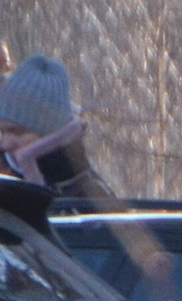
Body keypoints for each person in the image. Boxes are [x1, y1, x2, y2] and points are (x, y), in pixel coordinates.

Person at [0, 55, 111, 200]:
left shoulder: (92, 198)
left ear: (53, 135)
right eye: (2, 131)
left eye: (19, 132)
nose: (5, 144)